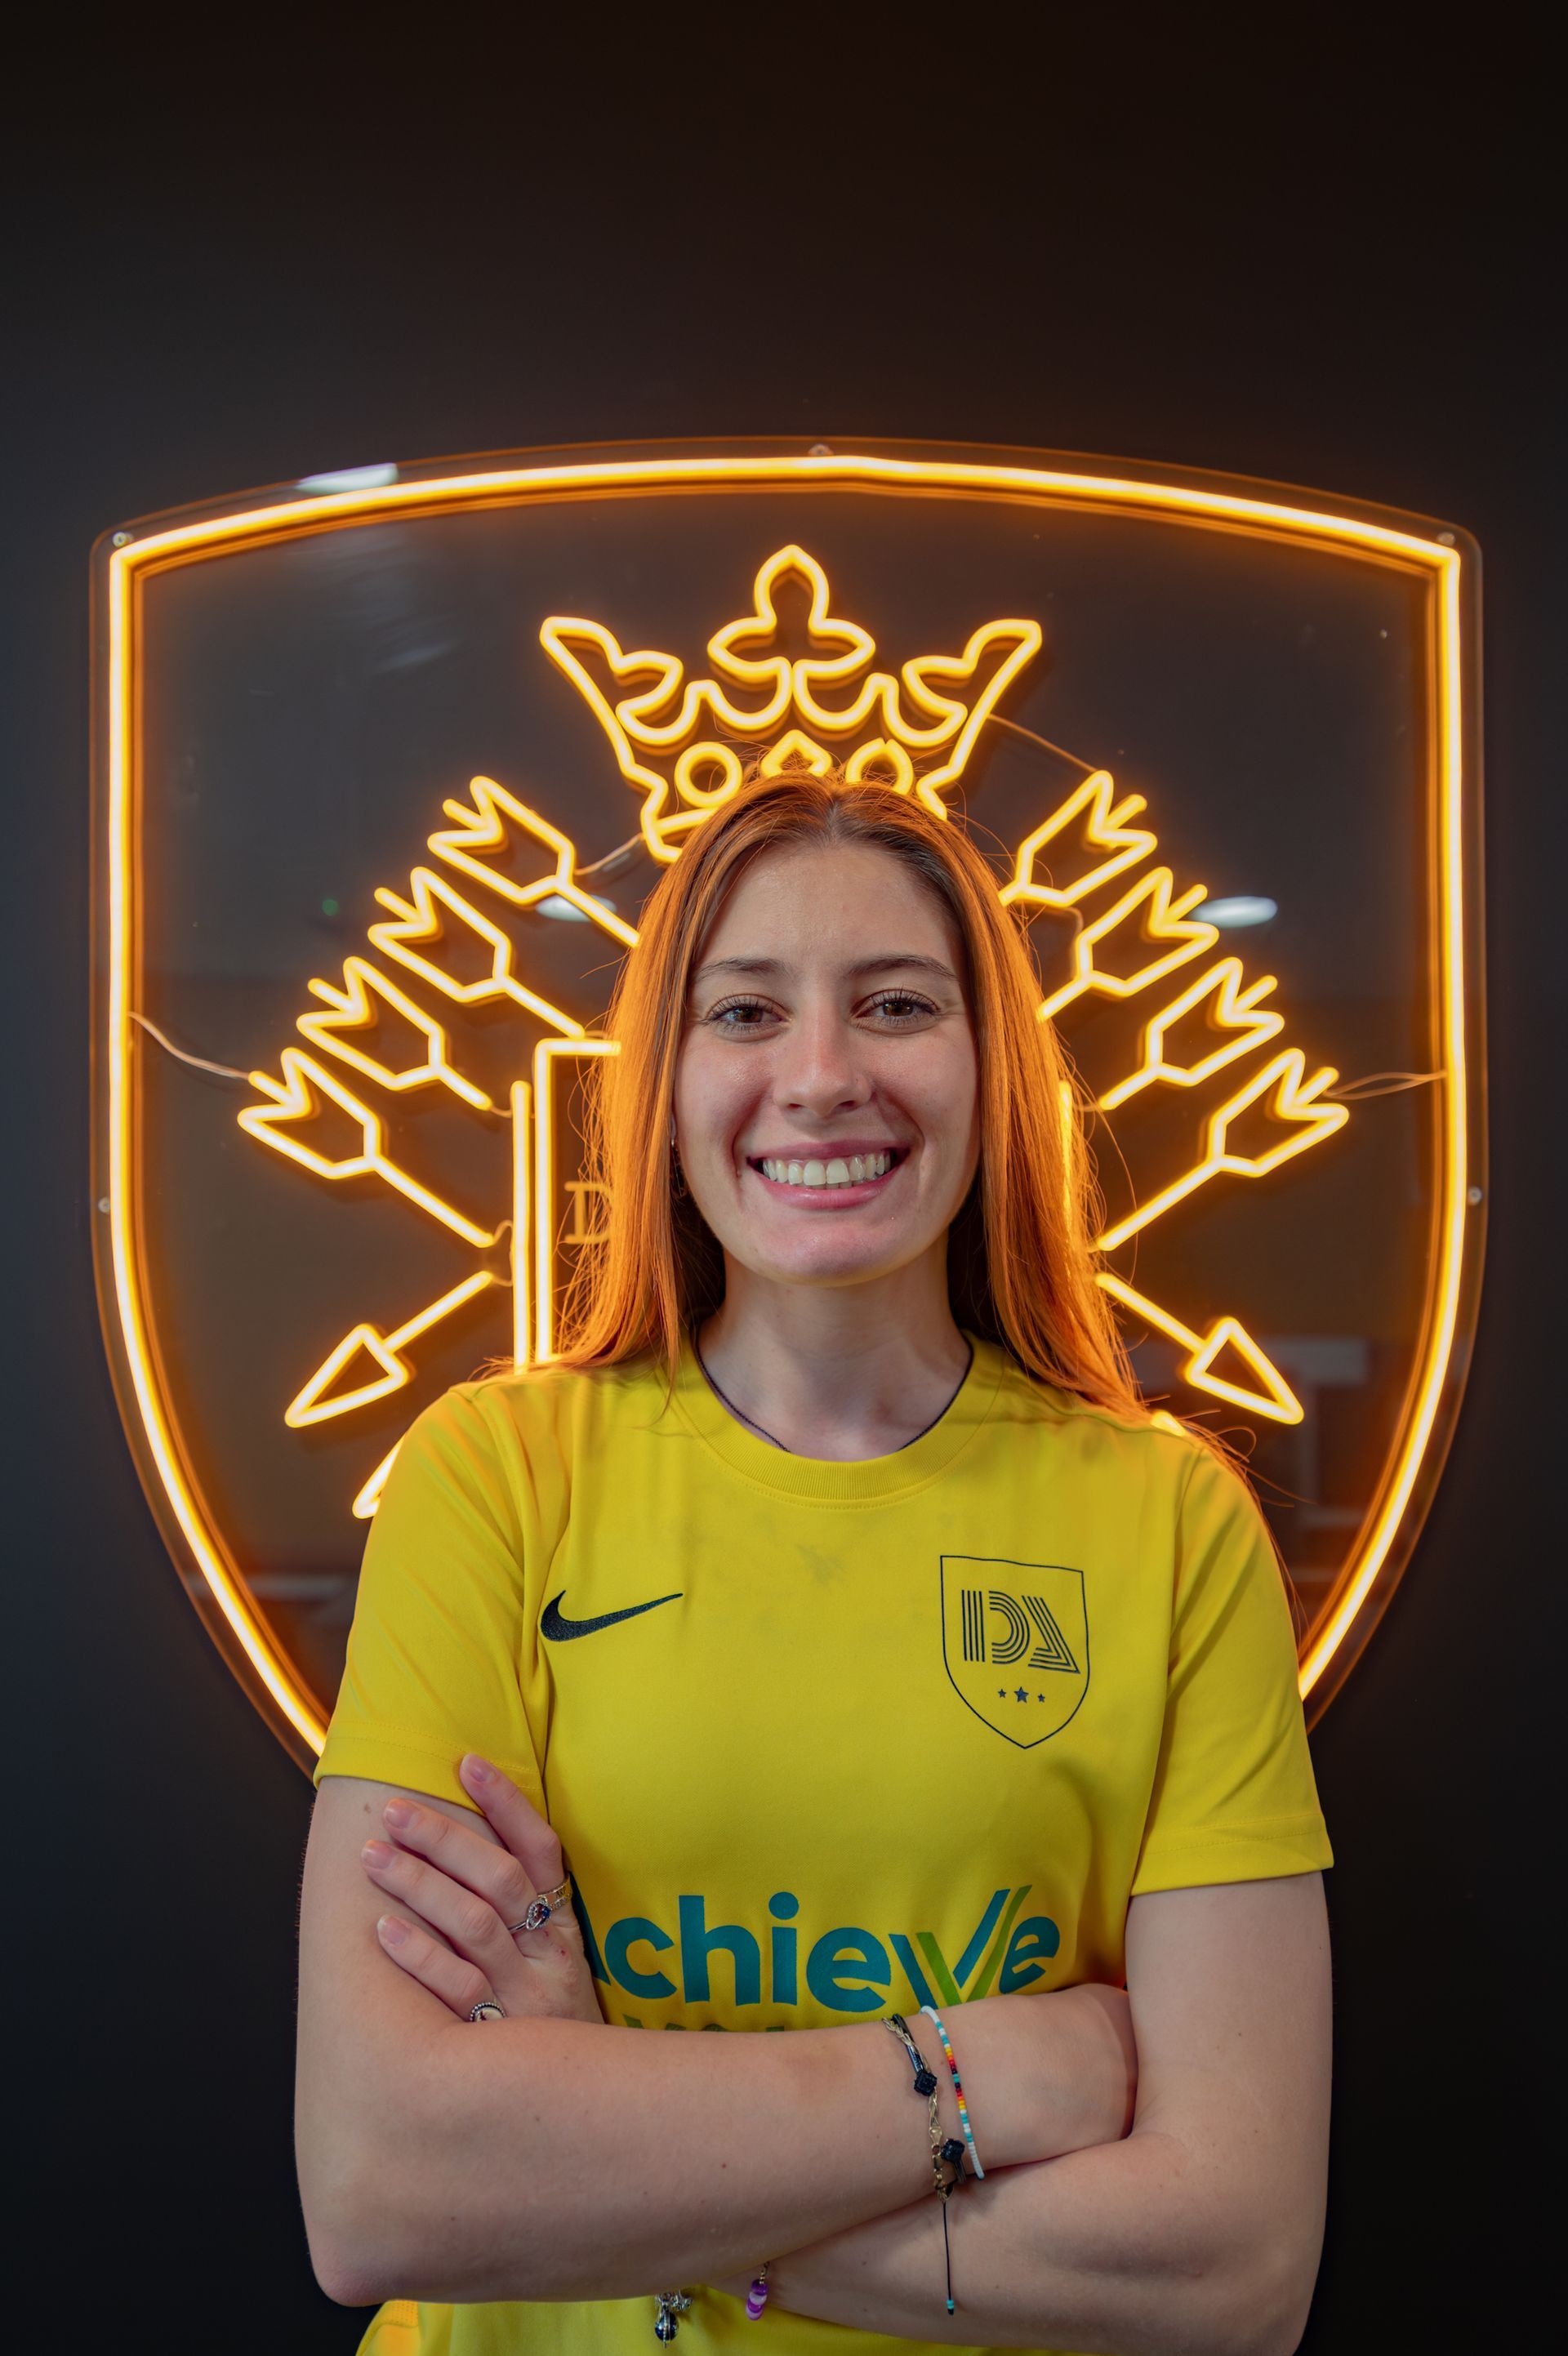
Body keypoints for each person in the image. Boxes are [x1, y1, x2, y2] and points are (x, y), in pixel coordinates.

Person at [296, 758, 1333, 2356]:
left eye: (899, 1005)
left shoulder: (1170, 1521)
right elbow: (380, 2190)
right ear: (664, 1082)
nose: (825, 1074)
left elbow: (1231, 2269)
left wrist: (615, 2152)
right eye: (748, 1012)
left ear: (992, 1067)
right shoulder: (490, 1479)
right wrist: (989, 2077)